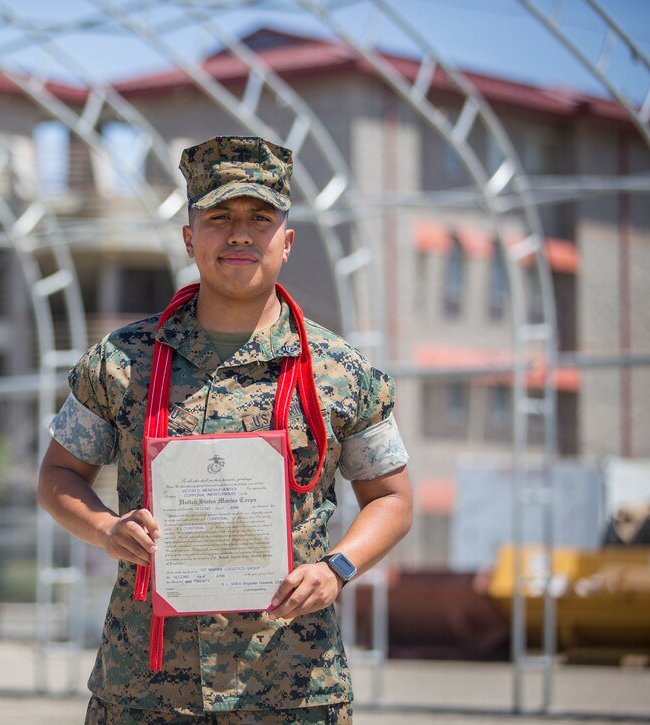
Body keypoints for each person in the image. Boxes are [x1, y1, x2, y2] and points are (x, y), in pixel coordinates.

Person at [38, 135, 412, 724]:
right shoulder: (120, 362)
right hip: (147, 692)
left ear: (286, 242)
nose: (240, 234)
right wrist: (106, 529)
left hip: (290, 690)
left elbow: (392, 498)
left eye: (259, 218)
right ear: (190, 239)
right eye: (219, 217)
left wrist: (337, 568)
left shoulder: (340, 372)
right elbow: (58, 475)